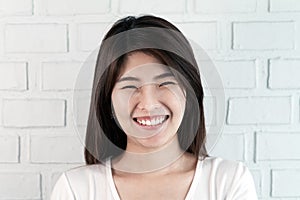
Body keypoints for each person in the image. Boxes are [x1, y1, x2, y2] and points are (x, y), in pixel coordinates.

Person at [51, 15, 258, 199]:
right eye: (130, 86)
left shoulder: (228, 182)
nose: (149, 104)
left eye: (165, 83)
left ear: (188, 92)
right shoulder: (77, 189)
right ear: (108, 101)